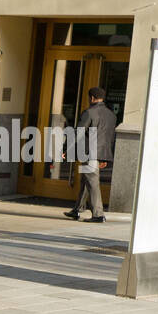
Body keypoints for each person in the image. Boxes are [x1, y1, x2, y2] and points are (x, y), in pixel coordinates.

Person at [65, 86, 117, 223]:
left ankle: (98, 214)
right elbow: (110, 137)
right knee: (86, 180)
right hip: (101, 153)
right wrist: (105, 157)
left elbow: (78, 132)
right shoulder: (111, 115)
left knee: (92, 181)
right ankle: (77, 209)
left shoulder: (89, 112)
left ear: (92, 98)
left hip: (89, 152)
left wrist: (67, 149)